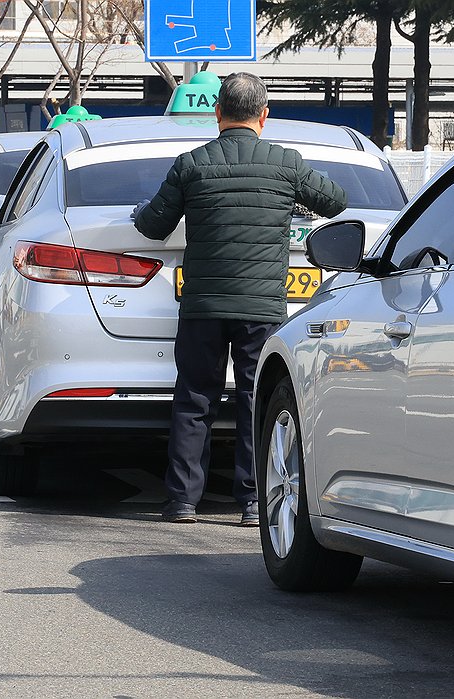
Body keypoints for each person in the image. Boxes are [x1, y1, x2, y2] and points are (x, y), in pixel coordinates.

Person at [133, 72, 348, 526]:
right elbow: (335, 201)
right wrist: (293, 199)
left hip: (204, 306)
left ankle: (182, 501)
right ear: (264, 116)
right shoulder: (285, 163)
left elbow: (152, 224)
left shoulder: (191, 164)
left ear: (217, 114)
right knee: (256, 399)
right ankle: (253, 502)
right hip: (261, 307)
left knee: (195, 399)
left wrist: (138, 211)